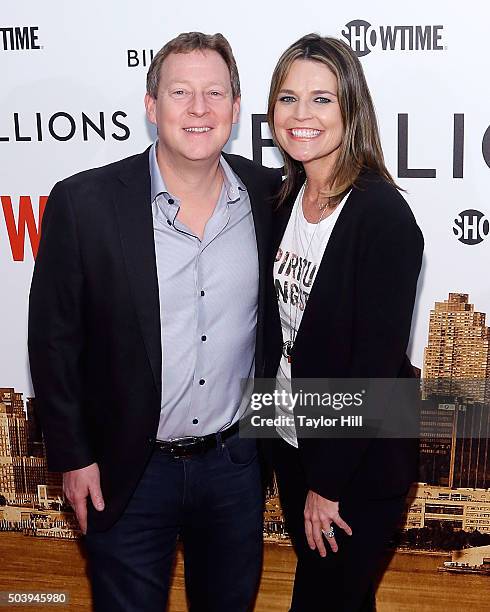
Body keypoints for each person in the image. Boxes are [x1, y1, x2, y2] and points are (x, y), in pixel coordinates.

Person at [28, 31, 281, 612]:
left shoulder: (270, 197)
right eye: (180, 92)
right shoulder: (83, 203)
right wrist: (73, 455)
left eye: (214, 93)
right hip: (126, 473)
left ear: (236, 110)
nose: (199, 109)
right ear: (150, 105)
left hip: (234, 468)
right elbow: (52, 342)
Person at [263, 34, 424, 611]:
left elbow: (374, 365)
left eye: (321, 99)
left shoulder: (381, 215)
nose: (301, 114)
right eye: (287, 98)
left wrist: (327, 484)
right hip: (290, 441)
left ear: (351, 108)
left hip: (356, 462)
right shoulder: (282, 204)